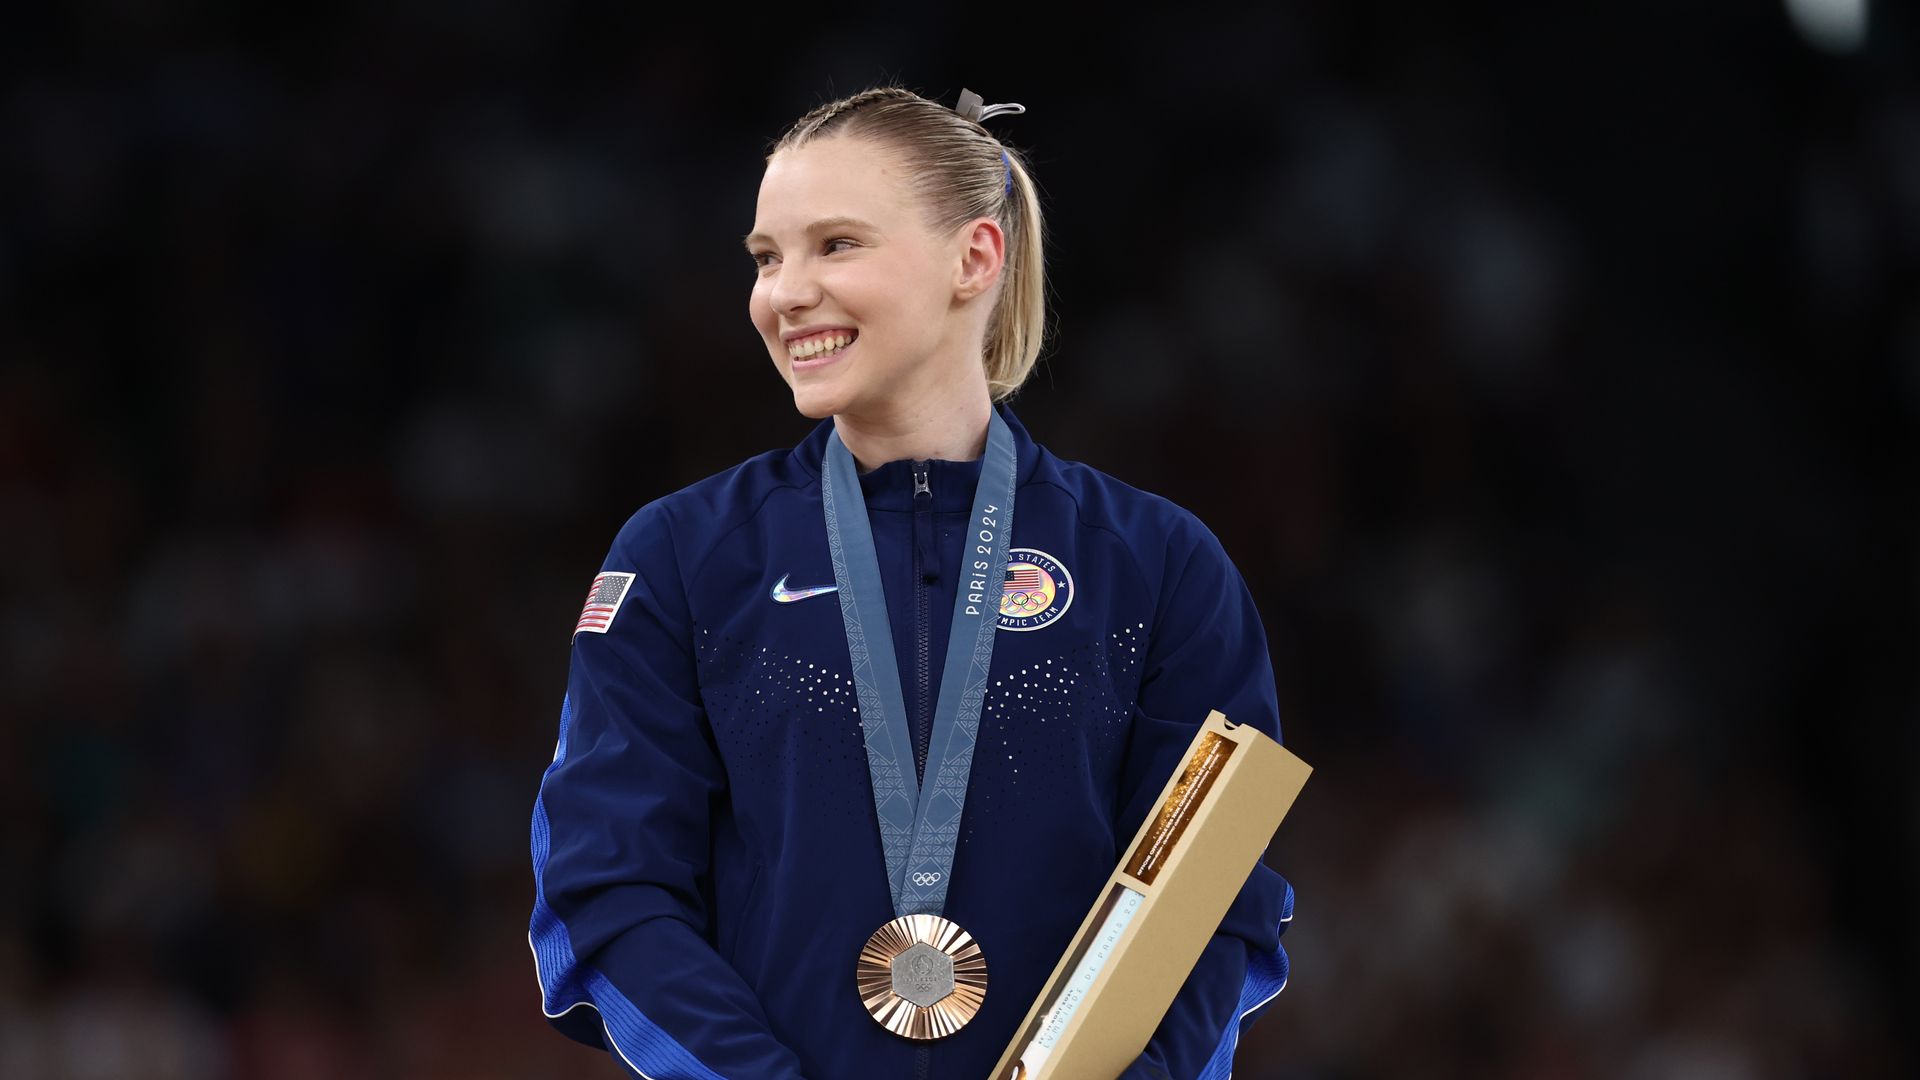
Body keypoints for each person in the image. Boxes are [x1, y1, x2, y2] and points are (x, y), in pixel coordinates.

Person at [528, 85, 1297, 1080]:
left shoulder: (1155, 563)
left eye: (836, 245)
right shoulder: (683, 555)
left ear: (974, 258)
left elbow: (1209, 898)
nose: (784, 292)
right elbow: (610, 889)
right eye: (766, 257)